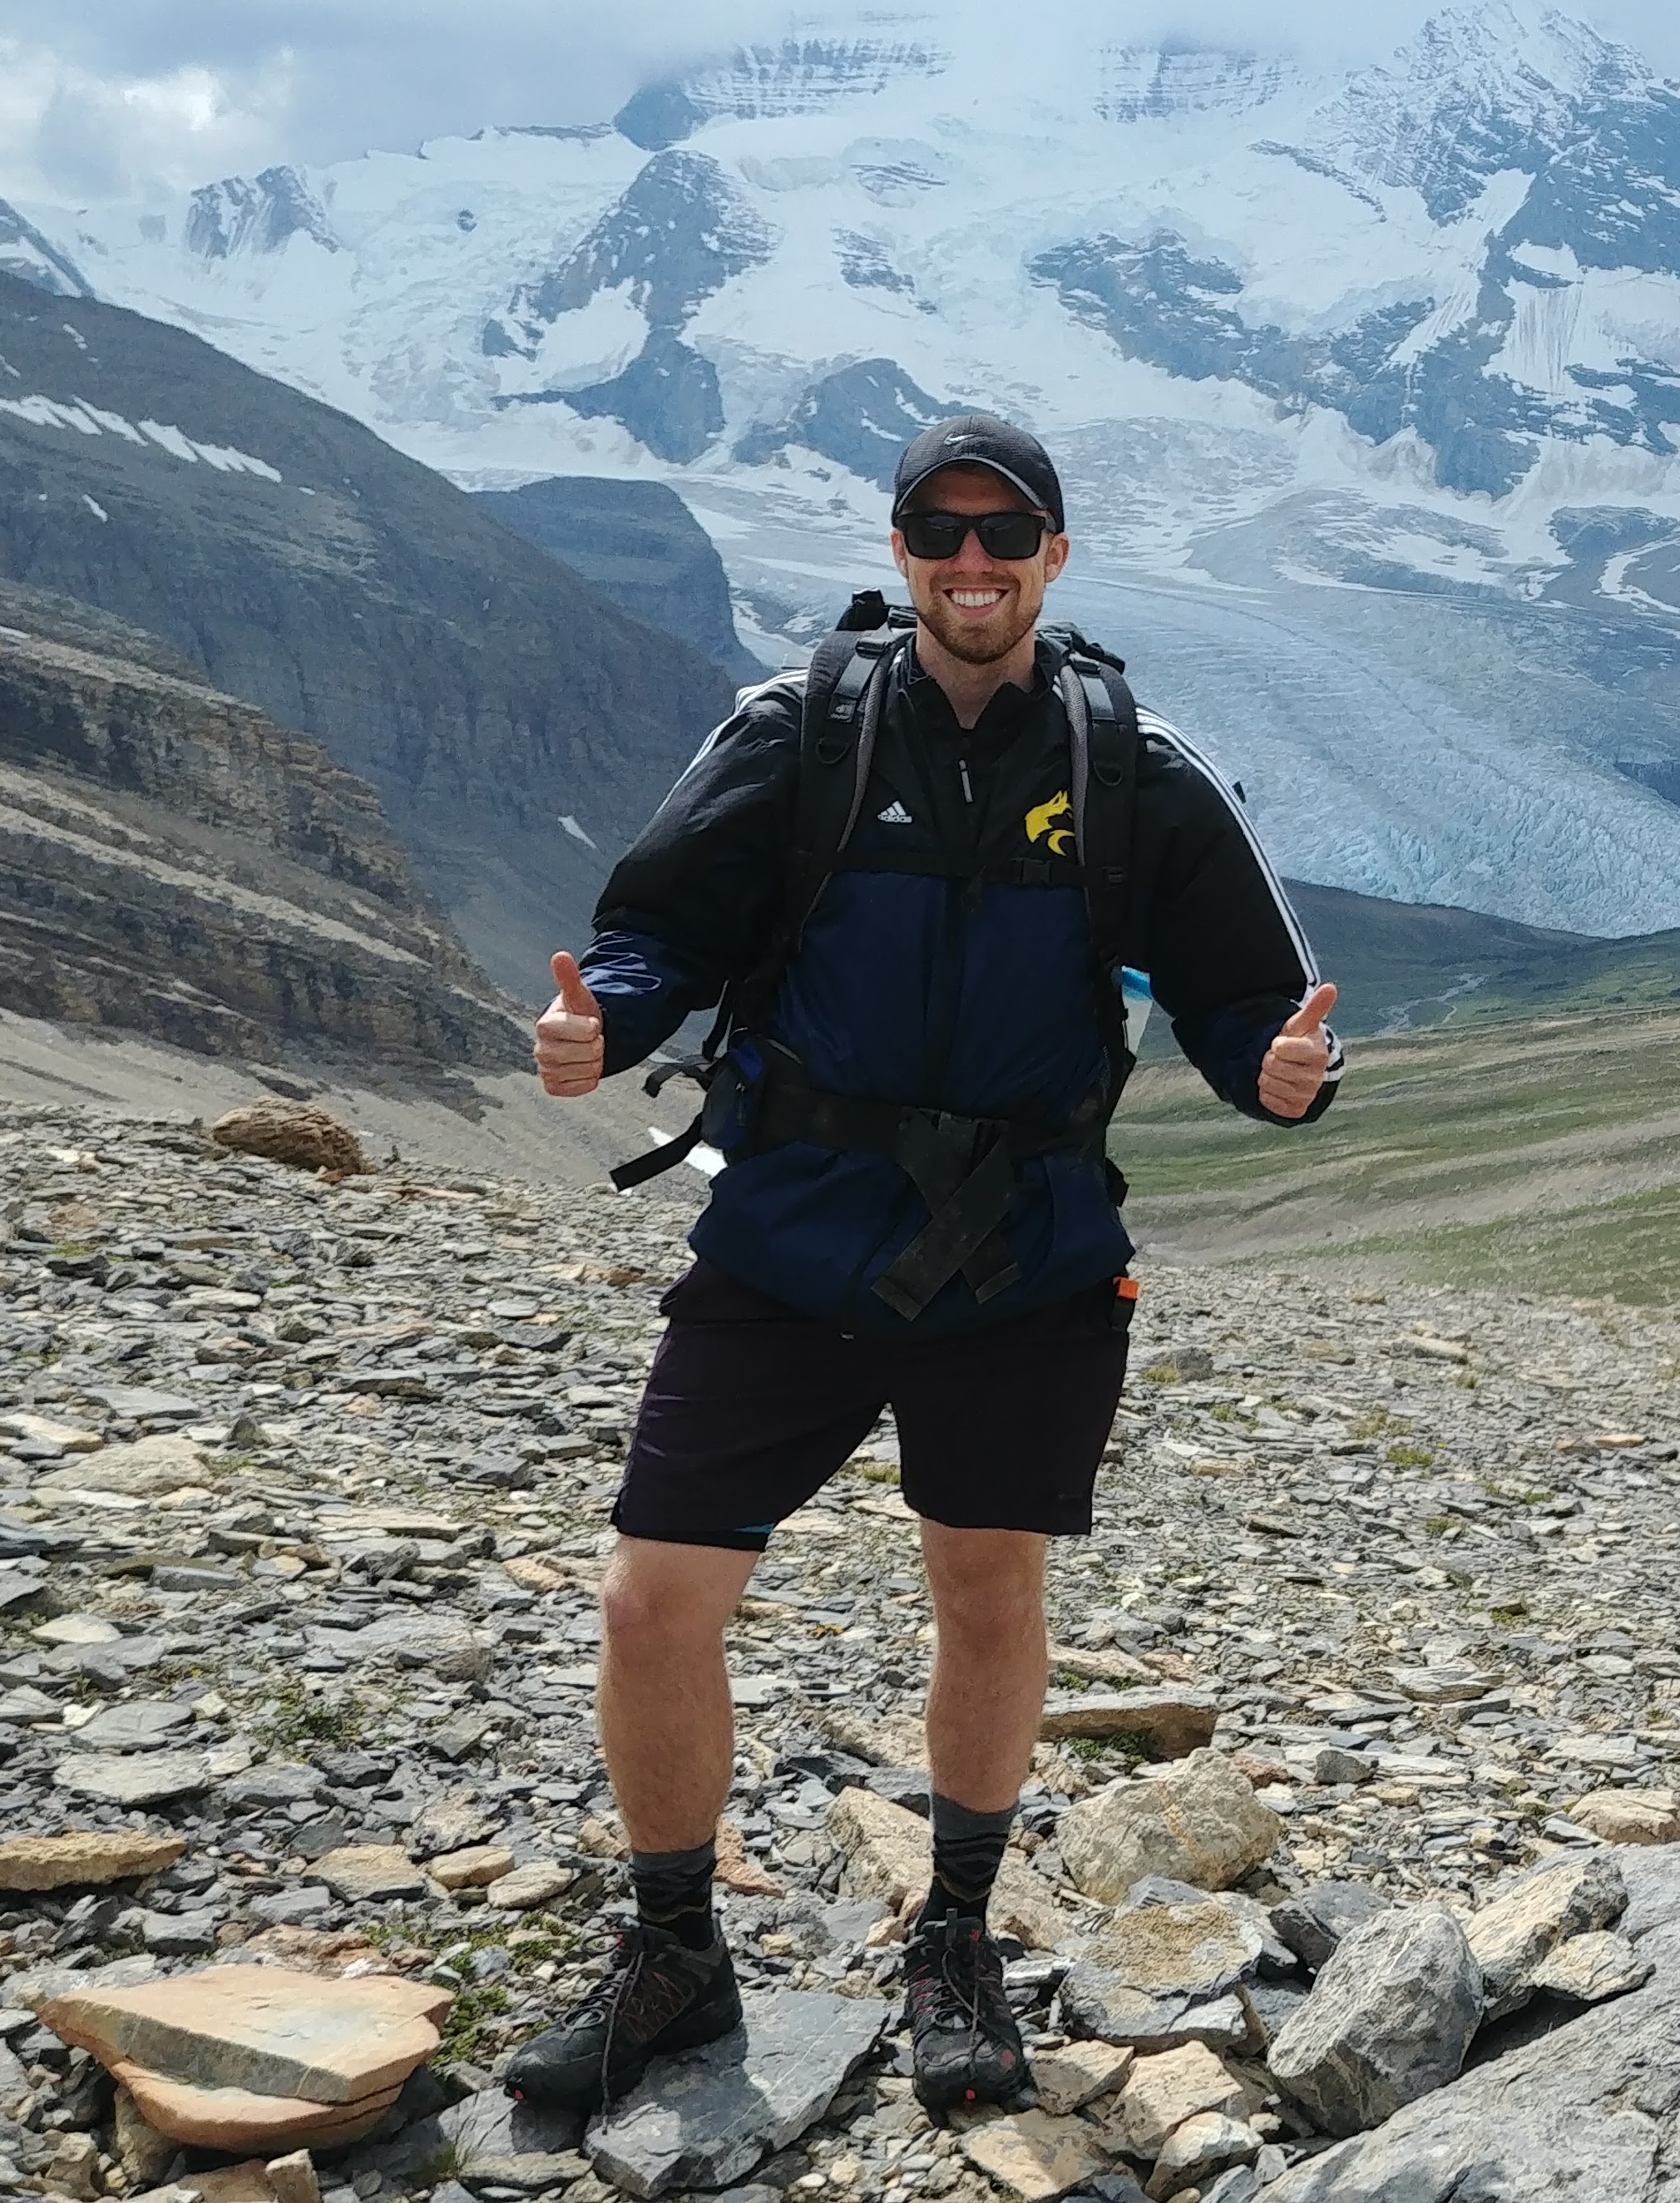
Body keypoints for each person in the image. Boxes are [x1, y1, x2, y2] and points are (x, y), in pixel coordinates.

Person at [506, 412, 1340, 2119]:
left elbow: (1242, 985)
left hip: (1020, 1257)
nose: (971, 562)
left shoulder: (1136, 769)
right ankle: (673, 1950)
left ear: (1051, 555)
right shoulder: (798, 731)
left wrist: (1280, 1070)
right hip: (790, 1232)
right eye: (938, 532)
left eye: (1002, 534)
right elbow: (664, 926)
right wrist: (615, 1022)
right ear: (900, 551)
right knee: (652, 1599)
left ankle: (953, 1933)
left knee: (984, 1592)